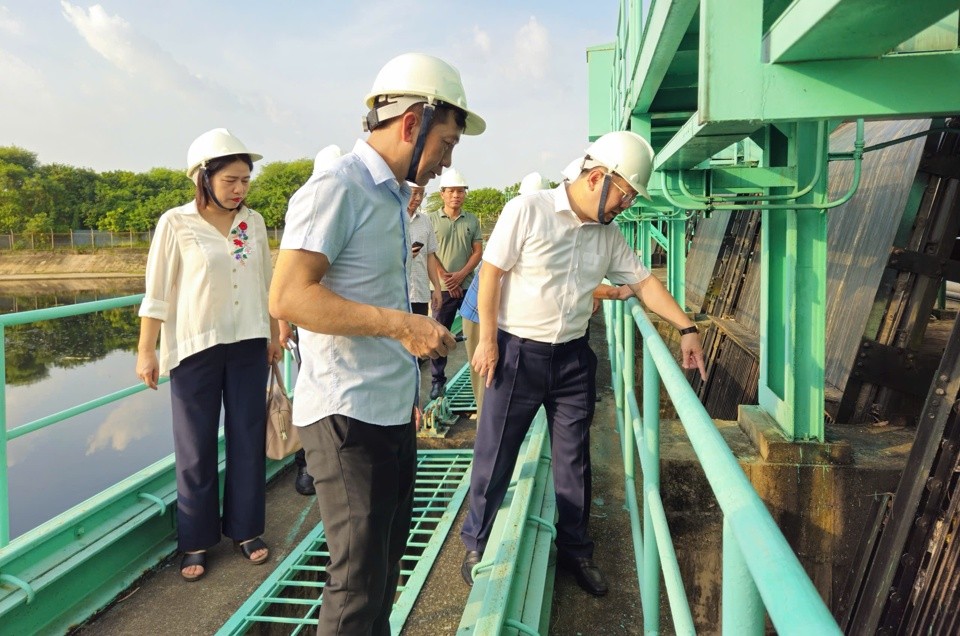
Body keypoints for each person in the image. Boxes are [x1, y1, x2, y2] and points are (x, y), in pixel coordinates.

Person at [269, 52, 484, 635]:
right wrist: (402, 326)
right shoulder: (336, 187)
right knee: (357, 579)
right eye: (445, 143)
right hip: (345, 412)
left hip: (387, 407)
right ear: (412, 125)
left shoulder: (392, 197)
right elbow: (288, 297)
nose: (446, 162)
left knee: (387, 563)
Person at [461, 131, 707, 597]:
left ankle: (576, 550)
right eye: (625, 196)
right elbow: (490, 271)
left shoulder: (608, 236)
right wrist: (488, 340)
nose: (625, 208)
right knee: (495, 454)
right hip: (517, 353)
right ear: (598, 178)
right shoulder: (528, 210)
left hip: (572, 359)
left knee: (574, 461)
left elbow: (643, 283)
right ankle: (476, 541)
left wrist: (686, 326)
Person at [136, 128, 282, 582]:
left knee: (247, 438)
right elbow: (157, 291)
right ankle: (195, 540)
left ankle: (245, 529)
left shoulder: (253, 222)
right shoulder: (176, 223)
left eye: (245, 181)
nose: (239, 189)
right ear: (203, 178)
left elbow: (266, 282)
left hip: (248, 345)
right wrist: (146, 349)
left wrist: (277, 333)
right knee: (195, 448)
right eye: (230, 181)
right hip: (195, 346)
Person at [459, 171, 551, 416]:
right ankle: (485, 441)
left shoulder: (540, 226)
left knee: (498, 382)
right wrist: (488, 341)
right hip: (481, 313)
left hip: (498, 313)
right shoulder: (517, 222)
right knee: (487, 382)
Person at [282, 144, 344, 497]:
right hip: (309, 324)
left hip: (341, 325)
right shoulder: (305, 208)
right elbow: (287, 279)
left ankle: (329, 465)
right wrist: (282, 324)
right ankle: (306, 465)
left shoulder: (353, 206)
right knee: (310, 390)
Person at [428, 167, 483, 400]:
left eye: (460, 191)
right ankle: (437, 381)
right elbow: (429, 253)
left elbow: (477, 251)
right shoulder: (430, 220)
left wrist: (460, 275)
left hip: (468, 286)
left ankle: (480, 377)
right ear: (442, 193)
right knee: (439, 334)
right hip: (441, 289)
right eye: (451, 191)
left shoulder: (471, 220)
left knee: (477, 333)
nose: (456, 196)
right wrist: (446, 278)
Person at [406, 182, 443, 318]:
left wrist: (437, 288)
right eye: (414, 193)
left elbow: (430, 256)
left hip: (421, 293)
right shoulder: (391, 219)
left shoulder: (425, 221)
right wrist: (406, 254)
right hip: (398, 294)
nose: (418, 198)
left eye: (422, 193)